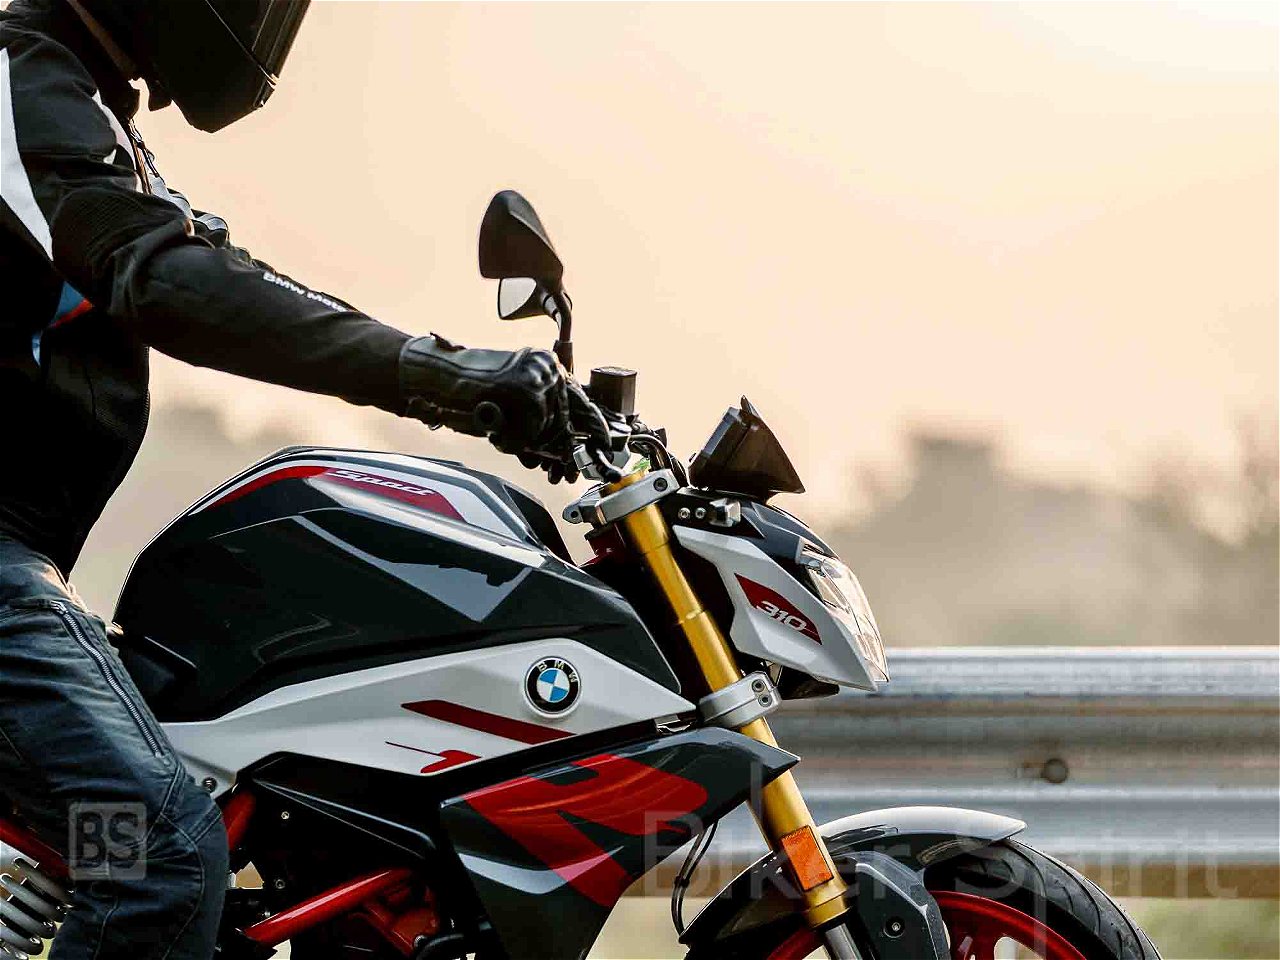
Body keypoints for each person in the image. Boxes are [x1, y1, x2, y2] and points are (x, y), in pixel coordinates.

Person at [0, 1, 609, 956]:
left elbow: (222, 273)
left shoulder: (75, 103)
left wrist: (456, 374)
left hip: (21, 568)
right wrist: (435, 373)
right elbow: (166, 277)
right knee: (153, 855)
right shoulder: (17, 81)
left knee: (188, 820)